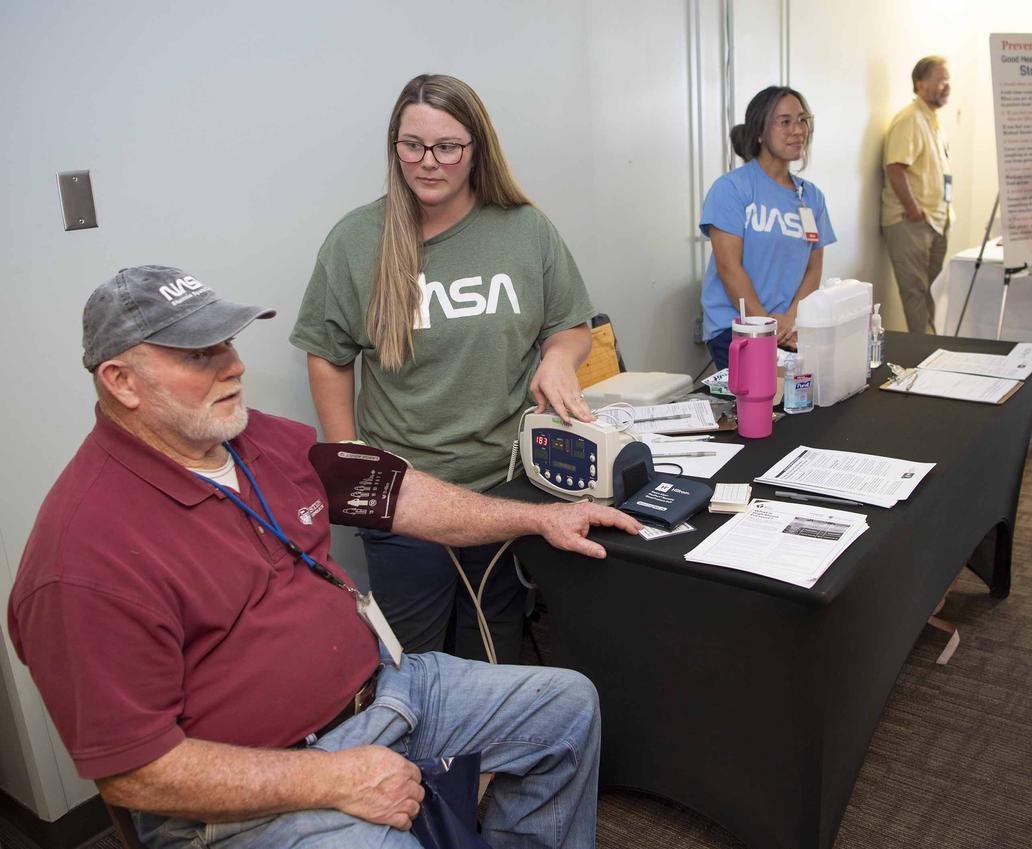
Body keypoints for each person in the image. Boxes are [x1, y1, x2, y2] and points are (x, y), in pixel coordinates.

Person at [7, 266, 641, 849]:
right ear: (122, 382)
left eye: (228, 344)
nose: (233, 368)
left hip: (385, 691)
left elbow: (396, 496)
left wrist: (538, 517)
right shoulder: (82, 559)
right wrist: (333, 779)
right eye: (200, 355)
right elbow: (138, 775)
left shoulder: (253, 438)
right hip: (259, 782)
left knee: (567, 707)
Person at [291, 74, 597, 663]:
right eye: (412, 145)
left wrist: (559, 357)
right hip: (406, 495)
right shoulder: (357, 241)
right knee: (415, 664)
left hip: (504, 486)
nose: (428, 162)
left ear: (477, 148)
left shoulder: (524, 229)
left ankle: (492, 758)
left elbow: (570, 325)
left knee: (494, 648)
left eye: (448, 146)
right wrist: (350, 458)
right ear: (394, 147)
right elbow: (328, 354)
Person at [699, 85, 836, 369]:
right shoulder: (732, 189)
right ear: (760, 132)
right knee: (767, 407)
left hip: (789, 327)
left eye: (802, 120)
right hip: (737, 329)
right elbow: (729, 268)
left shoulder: (811, 197)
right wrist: (765, 326)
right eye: (785, 121)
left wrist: (792, 317)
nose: (798, 130)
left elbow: (814, 268)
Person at [881, 55, 952, 334]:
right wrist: (914, 212)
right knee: (916, 294)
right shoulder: (910, 119)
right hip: (911, 222)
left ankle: (932, 350)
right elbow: (895, 168)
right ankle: (925, 359)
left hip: (934, 221)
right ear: (920, 85)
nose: (946, 86)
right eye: (940, 81)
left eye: (948, 81)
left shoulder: (933, 121)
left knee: (930, 292)